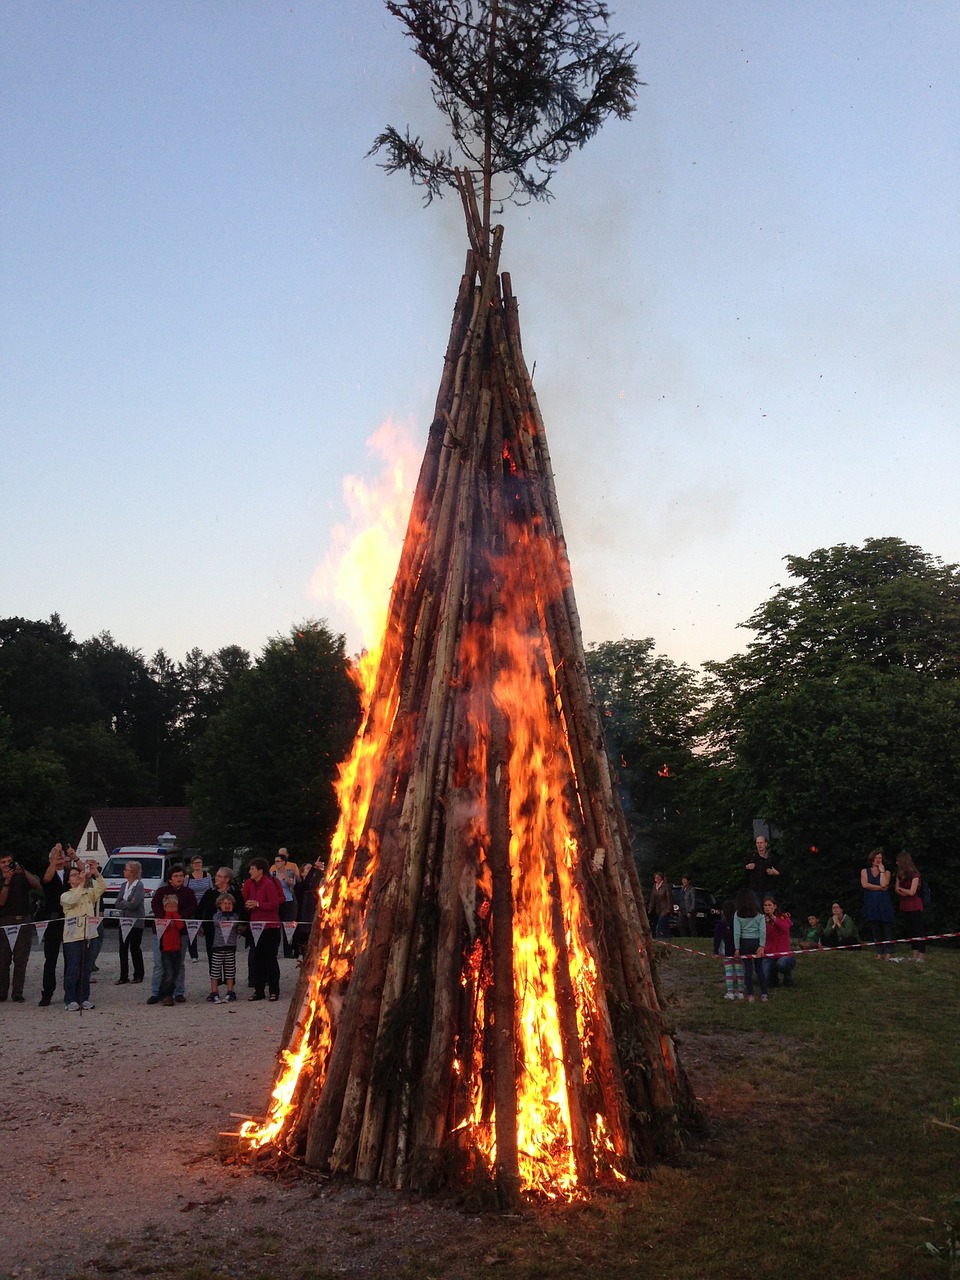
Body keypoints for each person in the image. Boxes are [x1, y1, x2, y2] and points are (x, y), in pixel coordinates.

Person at [146, 866, 197, 1004]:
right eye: (176, 876)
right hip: (161, 931)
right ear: (170, 878)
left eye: (181, 875)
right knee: (159, 964)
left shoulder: (188, 892)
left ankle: (178, 992)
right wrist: (165, 919)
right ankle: (156, 992)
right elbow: (155, 905)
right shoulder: (161, 891)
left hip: (181, 931)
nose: (179, 878)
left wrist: (179, 917)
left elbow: (192, 906)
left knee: (179, 964)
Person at [38, 843, 80, 1006]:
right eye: (56, 854)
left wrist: (74, 857)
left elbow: (85, 874)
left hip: (70, 918)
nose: (60, 855)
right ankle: (47, 992)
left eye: (61, 853)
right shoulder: (49, 872)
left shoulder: (71, 873)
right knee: (51, 958)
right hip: (53, 919)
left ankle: (70, 992)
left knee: (71, 958)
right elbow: (46, 879)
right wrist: (54, 857)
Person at [60, 861, 105, 1011]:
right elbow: (72, 901)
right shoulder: (65, 895)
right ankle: (70, 999)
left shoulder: (88, 893)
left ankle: (84, 997)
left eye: (77, 873)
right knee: (73, 969)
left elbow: (102, 887)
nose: (77, 876)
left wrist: (95, 873)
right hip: (73, 937)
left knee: (86, 970)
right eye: (73, 875)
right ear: (68, 880)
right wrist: (82, 884)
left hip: (90, 935)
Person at [0, 853, 42, 1003]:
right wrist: (7, 881)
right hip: (5, 920)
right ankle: (2, 992)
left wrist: (22, 871)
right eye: (3, 862)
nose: (7, 864)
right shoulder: (2, 879)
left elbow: (37, 886)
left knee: (21, 958)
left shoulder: (22, 875)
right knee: (3, 959)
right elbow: (1, 901)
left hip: (24, 919)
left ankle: (17, 992)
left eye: (9, 861)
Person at [243, 857, 285, 1001]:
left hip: (269, 927)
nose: (250, 871)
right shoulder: (253, 885)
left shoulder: (268, 884)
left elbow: (274, 905)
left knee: (270, 959)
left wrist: (258, 904)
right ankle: (259, 990)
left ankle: (274, 990)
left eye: (252, 869)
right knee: (258, 959)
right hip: (256, 926)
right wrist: (249, 905)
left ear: (260, 871)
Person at [733, 888, 768, 1002]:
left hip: (745, 942)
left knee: (747, 970)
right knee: (759, 969)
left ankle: (751, 995)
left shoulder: (738, 914)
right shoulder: (759, 914)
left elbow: (737, 932)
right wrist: (761, 946)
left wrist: (737, 948)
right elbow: (763, 931)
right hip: (757, 942)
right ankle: (764, 994)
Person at [115, 860, 146, 984]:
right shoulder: (123, 885)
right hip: (123, 921)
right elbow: (117, 903)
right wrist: (126, 903)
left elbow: (134, 904)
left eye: (126, 869)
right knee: (122, 948)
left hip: (136, 921)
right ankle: (123, 975)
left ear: (132, 872)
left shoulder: (139, 885)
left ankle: (138, 974)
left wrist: (125, 903)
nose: (124, 871)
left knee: (134, 947)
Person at [861, 848, 895, 958]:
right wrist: (879, 887)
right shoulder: (864, 871)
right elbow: (865, 885)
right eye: (876, 858)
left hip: (884, 903)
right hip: (871, 903)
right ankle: (879, 952)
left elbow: (884, 885)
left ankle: (889, 952)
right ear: (872, 859)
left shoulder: (887, 872)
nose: (878, 860)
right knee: (875, 928)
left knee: (887, 928)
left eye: (880, 858)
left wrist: (881, 872)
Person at [208, 892, 240, 1003]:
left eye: (229, 903)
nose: (227, 905)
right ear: (219, 905)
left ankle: (230, 991)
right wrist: (225, 916)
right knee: (215, 971)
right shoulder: (216, 916)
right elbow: (218, 922)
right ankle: (214, 992)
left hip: (230, 947)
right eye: (225, 903)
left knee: (230, 971)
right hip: (218, 947)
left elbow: (234, 923)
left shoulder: (235, 916)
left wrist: (229, 915)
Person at [894, 852, 925, 963]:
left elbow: (912, 892)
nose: (896, 862)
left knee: (918, 930)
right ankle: (914, 954)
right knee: (911, 931)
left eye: (898, 860)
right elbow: (896, 889)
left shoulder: (915, 874)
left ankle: (921, 956)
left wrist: (903, 890)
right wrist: (903, 892)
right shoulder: (899, 875)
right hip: (905, 905)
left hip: (915, 906)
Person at [156, 894, 186, 1007]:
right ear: (165, 908)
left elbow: (180, 926)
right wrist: (169, 915)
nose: (172, 909)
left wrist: (175, 915)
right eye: (170, 907)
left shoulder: (177, 916)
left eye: (174, 907)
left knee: (175, 974)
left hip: (177, 949)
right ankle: (164, 994)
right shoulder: (163, 919)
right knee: (168, 974)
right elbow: (164, 927)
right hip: (166, 950)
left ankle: (170, 994)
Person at [270, 849, 300, 959]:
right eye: (275, 861)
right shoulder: (272, 874)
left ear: (284, 862)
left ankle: (288, 950)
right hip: (277, 901)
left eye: (278, 861)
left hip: (288, 901)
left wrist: (291, 883)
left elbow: (293, 890)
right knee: (275, 926)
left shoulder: (290, 873)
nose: (276, 864)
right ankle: (274, 950)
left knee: (288, 927)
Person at [294, 855, 326, 957]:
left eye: (311, 868)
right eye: (308, 869)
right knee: (305, 950)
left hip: (315, 921)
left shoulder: (316, 887)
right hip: (304, 924)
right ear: (302, 873)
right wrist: (314, 868)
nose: (311, 870)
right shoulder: (299, 886)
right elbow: (306, 883)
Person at [761, 896, 796, 989]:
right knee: (766, 980)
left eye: (769, 905)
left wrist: (773, 918)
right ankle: (773, 977)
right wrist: (763, 924)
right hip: (769, 954)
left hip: (784, 954)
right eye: (765, 905)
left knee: (782, 963)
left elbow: (785, 928)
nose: (767, 907)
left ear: (775, 906)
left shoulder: (784, 917)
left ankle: (788, 977)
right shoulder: (762, 920)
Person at [713, 900, 745, 1001]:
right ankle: (740, 992)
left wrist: (715, 952)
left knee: (729, 972)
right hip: (737, 951)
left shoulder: (721, 924)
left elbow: (717, 938)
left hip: (726, 952)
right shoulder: (738, 922)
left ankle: (730, 992)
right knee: (739, 971)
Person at [185, 857, 213, 961]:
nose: (197, 865)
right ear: (192, 865)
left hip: (205, 905)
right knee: (192, 930)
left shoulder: (207, 875)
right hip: (193, 906)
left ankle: (210, 951)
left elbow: (211, 889)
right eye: (195, 863)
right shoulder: (188, 877)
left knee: (208, 928)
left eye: (199, 863)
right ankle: (193, 955)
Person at [744, 835, 780, 901]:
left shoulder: (772, 857)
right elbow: (744, 872)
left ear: (766, 844)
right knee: (757, 909)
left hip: (768, 889)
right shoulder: (751, 857)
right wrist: (747, 867)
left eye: (761, 843)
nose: (759, 845)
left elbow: (779, 872)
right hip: (754, 889)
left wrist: (774, 872)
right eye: (757, 843)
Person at [647, 872, 673, 939]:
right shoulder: (654, 886)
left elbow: (669, 897)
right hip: (658, 908)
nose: (656, 879)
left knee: (660, 923)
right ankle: (668, 936)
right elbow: (652, 898)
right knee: (665, 924)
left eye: (658, 877)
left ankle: (659, 937)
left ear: (661, 878)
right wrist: (650, 908)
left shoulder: (666, 886)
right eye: (656, 877)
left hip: (665, 908)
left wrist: (669, 908)